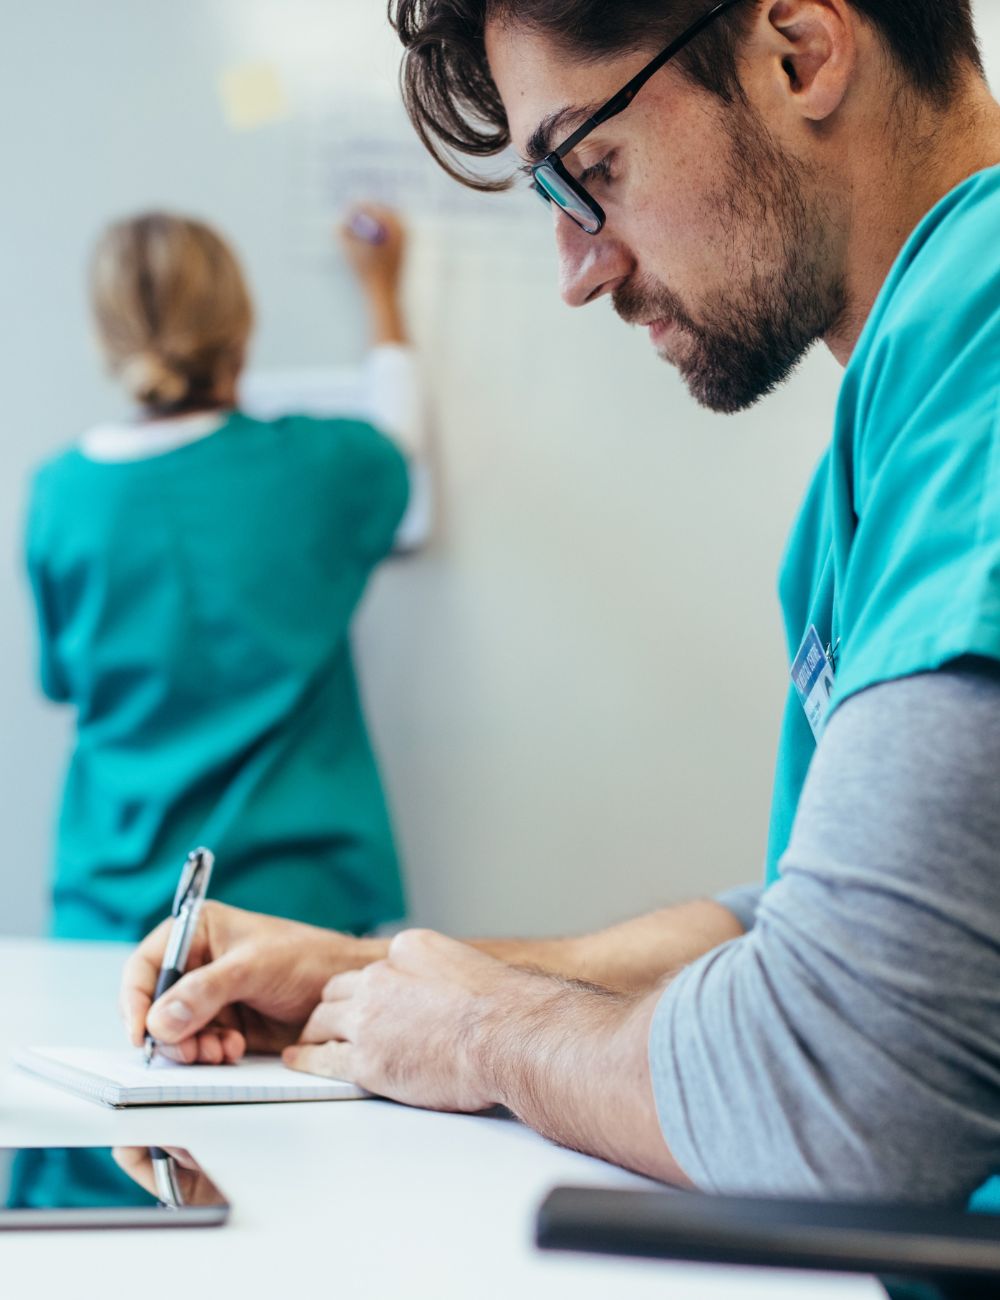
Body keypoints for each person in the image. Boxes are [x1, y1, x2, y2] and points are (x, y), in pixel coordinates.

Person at [120, 0, 1000, 1207]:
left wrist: (485, 1036)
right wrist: (378, 981)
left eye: (590, 171)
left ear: (799, 52)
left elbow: (843, 1077)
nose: (581, 271)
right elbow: (836, 934)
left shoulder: (983, 371)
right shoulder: (908, 399)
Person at [26, 205, 427, 942]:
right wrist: (380, 291)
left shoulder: (61, 493)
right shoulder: (317, 469)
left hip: (107, 917)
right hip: (294, 917)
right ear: (241, 330)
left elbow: (61, 680)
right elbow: (399, 441)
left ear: (105, 340)